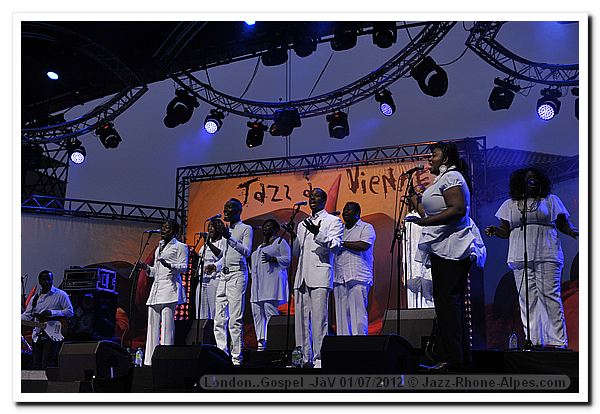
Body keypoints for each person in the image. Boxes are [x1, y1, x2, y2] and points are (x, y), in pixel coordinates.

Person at [408, 142, 486, 371]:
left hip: (453, 249)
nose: (430, 158)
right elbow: (432, 212)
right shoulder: (441, 180)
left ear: (446, 158)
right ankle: (455, 357)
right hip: (442, 248)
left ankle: (451, 358)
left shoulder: (452, 177)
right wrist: (417, 203)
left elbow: (458, 209)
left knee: (449, 303)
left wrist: (425, 222)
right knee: (446, 304)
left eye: (434, 154)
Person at [485, 167, 578, 349]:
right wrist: (496, 231)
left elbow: (563, 224)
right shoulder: (509, 204)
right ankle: (534, 340)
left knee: (549, 295)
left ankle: (557, 342)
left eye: (535, 178)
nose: (532, 181)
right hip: (520, 255)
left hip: (547, 252)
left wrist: (572, 231)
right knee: (527, 299)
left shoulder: (551, 200)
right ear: (520, 182)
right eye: (528, 179)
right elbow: (505, 230)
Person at [285, 188, 344, 368]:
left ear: (324, 200)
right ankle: (301, 359)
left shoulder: (333, 221)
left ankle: (319, 359)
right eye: (311, 196)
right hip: (302, 275)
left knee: (319, 320)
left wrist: (318, 233)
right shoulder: (302, 224)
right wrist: (293, 236)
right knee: (300, 321)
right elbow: (298, 252)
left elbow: (336, 246)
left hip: (320, 274)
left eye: (317, 196)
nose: (313, 199)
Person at [209, 198, 253, 365]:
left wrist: (230, 238)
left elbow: (246, 252)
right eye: (225, 208)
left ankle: (236, 358)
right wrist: (216, 265)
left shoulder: (245, 229)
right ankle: (222, 354)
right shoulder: (225, 230)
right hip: (223, 276)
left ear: (239, 211)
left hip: (237, 275)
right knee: (219, 319)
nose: (226, 211)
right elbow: (226, 257)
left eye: (230, 208)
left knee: (235, 320)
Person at [139, 219, 188, 366]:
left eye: (167, 228)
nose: (163, 230)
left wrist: (170, 264)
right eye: (163, 227)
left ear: (174, 232)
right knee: (152, 326)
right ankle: (149, 361)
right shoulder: (158, 247)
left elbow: (184, 268)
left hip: (170, 288)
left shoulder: (180, 247)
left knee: (167, 326)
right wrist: (147, 268)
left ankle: (165, 360)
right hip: (156, 289)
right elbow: (155, 272)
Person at [333, 201, 376, 336]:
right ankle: (344, 346)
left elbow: (364, 245)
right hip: (340, 276)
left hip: (358, 276)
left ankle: (360, 344)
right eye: (345, 210)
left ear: (358, 213)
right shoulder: (339, 230)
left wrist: (341, 243)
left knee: (358, 313)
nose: (345, 212)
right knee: (341, 317)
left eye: (350, 210)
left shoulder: (366, 227)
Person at [250, 219, 290, 351]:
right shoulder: (259, 247)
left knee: (270, 312)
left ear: (275, 229)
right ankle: (261, 342)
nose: (265, 228)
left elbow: (287, 259)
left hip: (271, 284)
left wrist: (273, 259)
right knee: (257, 313)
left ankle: (273, 341)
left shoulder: (280, 242)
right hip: (257, 286)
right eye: (264, 226)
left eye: (269, 226)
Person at [21, 270, 74, 370]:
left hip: (52, 334)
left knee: (48, 363)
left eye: (49, 279)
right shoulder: (35, 298)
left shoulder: (60, 295)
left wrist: (52, 313)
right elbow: (27, 315)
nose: (47, 282)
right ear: (40, 281)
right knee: (36, 364)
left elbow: (70, 312)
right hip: (37, 334)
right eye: (44, 280)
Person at [403, 191, 434, 309]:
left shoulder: (430, 216)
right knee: (413, 296)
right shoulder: (407, 219)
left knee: (428, 294)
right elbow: (406, 246)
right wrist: (404, 267)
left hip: (426, 262)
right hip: (411, 266)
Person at [195, 221, 225, 320]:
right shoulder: (204, 246)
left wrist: (207, 242)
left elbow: (221, 256)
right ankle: (202, 332)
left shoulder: (223, 242)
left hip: (215, 278)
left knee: (214, 309)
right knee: (201, 310)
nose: (210, 229)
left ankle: (214, 333)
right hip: (203, 279)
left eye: (213, 227)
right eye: (209, 227)